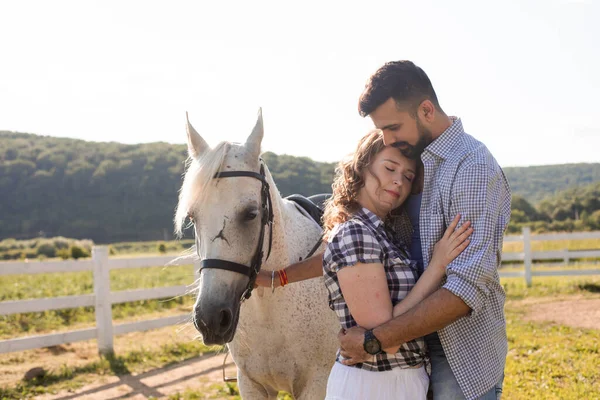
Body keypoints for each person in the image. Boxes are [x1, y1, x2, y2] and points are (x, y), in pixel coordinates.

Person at [257, 60, 511, 399]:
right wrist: (280, 277)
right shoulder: (412, 160)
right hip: (405, 359)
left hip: (457, 352)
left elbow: (467, 288)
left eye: (392, 127)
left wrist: (376, 339)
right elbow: (356, 256)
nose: (387, 138)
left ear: (425, 110)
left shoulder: (471, 168)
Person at [318, 128, 472, 399]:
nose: (399, 181)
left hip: (400, 380)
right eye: (390, 168)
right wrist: (437, 267)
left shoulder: (383, 233)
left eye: (408, 176)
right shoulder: (356, 232)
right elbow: (385, 337)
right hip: (374, 384)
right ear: (362, 167)